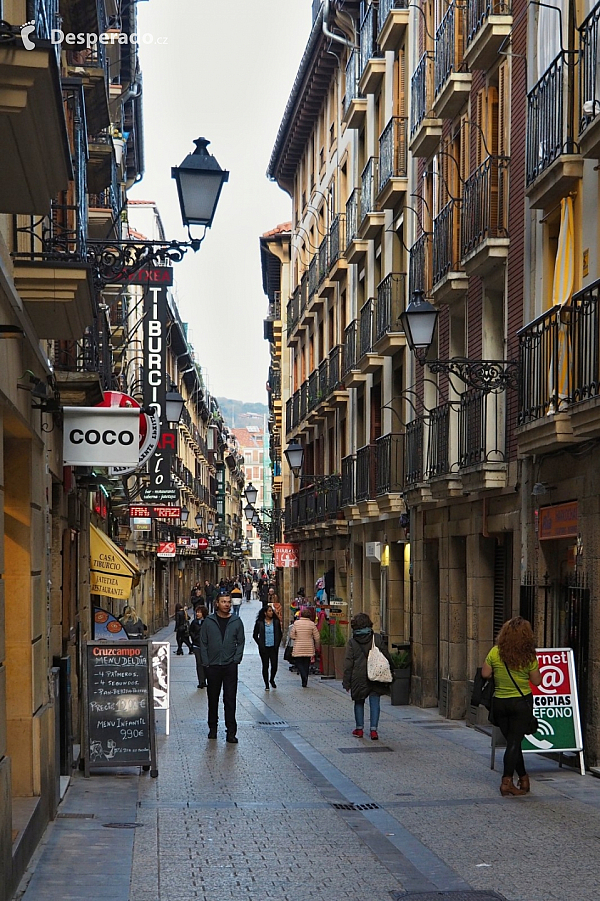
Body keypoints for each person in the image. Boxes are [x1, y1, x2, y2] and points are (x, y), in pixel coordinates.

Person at [481, 616, 541, 796]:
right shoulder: (529, 656)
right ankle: (506, 782)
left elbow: (485, 674)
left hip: (499, 702)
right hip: (520, 703)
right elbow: (536, 681)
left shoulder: (495, 652)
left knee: (512, 743)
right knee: (514, 743)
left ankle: (523, 778)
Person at [199, 595, 245, 742]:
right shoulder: (209, 621)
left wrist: (236, 659)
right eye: (223, 602)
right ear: (217, 604)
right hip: (212, 666)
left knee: (230, 699)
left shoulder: (236, 621)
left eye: (228, 602)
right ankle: (212, 728)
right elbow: (203, 642)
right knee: (213, 698)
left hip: (230, 666)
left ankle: (231, 731)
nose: (227, 605)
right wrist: (206, 662)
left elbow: (241, 641)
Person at [342, 613, 392, 741]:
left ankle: (359, 729)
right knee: (375, 702)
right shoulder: (377, 638)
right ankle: (374, 731)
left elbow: (348, 663)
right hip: (376, 674)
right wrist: (392, 670)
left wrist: (346, 682)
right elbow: (386, 656)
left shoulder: (352, 642)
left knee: (359, 702)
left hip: (358, 676)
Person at [253, 604, 282, 690]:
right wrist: (260, 643)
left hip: (273, 647)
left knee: (274, 665)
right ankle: (266, 684)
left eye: (271, 611)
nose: (271, 613)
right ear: (265, 613)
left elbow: (280, 634)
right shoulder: (260, 623)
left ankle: (272, 679)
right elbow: (255, 635)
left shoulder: (276, 622)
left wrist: (277, 643)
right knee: (265, 666)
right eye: (269, 611)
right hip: (264, 648)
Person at [289, 608, 321, 688]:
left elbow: (291, 635)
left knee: (299, 662)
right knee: (306, 663)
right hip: (308, 646)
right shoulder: (312, 624)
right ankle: (305, 681)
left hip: (299, 646)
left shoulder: (296, 623)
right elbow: (317, 637)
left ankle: (303, 675)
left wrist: (297, 637)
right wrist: (317, 646)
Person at [189, 605, 209, 688]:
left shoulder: (208, 622)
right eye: (197, 612)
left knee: (206, 663)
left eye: (199, 612)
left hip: (206, 646)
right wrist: (195, 638)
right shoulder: (194, 622)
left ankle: (206, 679)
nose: (197, 614)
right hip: (197, 645)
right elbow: (191, 631)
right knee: (199, 664)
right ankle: (201, 681)